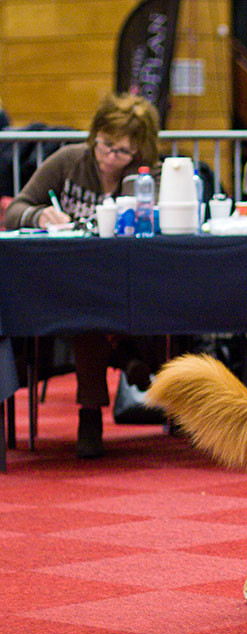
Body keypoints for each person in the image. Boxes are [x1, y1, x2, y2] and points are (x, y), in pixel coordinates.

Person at [3, 93, 166, 458]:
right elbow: (17, 209)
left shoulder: (146, 175)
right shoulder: (69, 160)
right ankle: (119, 365)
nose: (110, 157)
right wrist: (40, 216)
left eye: (122, 151)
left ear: (139, 150)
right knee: (86, 308)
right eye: (105, 145)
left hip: (131, 282)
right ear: (94, 136)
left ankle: (94, 409)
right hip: (70, 281)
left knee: (95, 308)